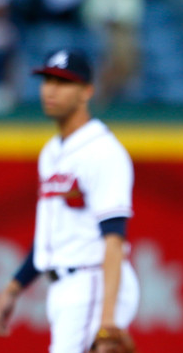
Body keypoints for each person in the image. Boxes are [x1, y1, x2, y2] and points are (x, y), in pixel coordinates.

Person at [0, 48, 139, 352]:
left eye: (63, 82)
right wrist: (13, 288)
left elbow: (114, 239)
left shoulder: (103, 151)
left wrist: (107, 322)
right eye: (47, 80)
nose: (51, 89)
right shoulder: (52, 152)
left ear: (87, 91)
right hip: (65, 287)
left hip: (94, 282)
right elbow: (51, 236)